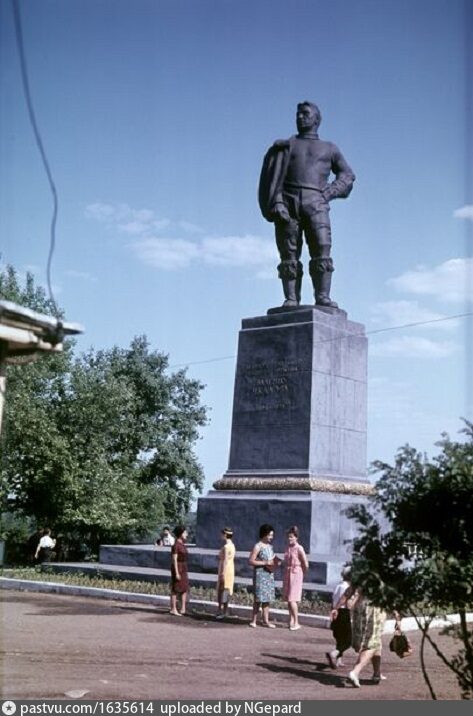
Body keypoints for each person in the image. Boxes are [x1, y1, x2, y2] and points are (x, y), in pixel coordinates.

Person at [259, 101, 355, 309]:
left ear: (316, 119)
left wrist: (330, 191)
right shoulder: (286, 146)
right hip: (288, 201)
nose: (300, 117)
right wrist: (277, 201)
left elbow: (347, 175)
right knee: (288, 252)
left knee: (321, 248)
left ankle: (322, 296)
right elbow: (272, 179)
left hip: (316, 202)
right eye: (298, 114)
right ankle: (291, 298)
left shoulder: (329, 148)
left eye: (305, 113)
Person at [333, 586, 393, 688]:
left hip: (360, 607)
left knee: (375, 640)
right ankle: (355, 672)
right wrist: (397, 616)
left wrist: (336, 607)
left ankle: (376, 673)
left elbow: (349, 591)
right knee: (373, 643)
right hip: (376, 610)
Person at [248, 523, 281, 628]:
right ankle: (253, 620)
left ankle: (266, 620)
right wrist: (265, 562)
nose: (271, 537)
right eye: (270, 535)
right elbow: (251, 561)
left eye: (272, 535)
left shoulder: (270, 547)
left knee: (267, 599)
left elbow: (272, 558)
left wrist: (276, 562)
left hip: (269, 575)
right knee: (258, 598)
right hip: (260, 575)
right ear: (264, 534)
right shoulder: (257, 546)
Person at [282, 526, 308, 630]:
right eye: (288, 537)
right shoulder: (288, 548)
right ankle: (291, 620)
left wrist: (302, 573)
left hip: (296, 572)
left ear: (296, 537)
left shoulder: (299, 548)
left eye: (292, 537)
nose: (290, 539)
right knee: (288, 598)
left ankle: (296, 622)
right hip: (288, 573)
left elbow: (305, 563)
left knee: (293, 598)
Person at [326, 565, 353, 668]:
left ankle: (338, 660)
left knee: (339, 638)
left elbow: (333, 600)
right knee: (348, 640)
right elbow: (347, 603)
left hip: (335, 612)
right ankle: (334, 653)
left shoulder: (338, 586)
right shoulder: (347, 588)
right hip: (343, 612)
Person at [216, 527, 235, 620]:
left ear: (225, 535)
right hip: (230, 569)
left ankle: (221, 610)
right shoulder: (232, 545)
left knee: (222, 590)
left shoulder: (226, 547)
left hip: (225, 569)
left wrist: (222, 573)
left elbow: (225, 561)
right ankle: (224, 610)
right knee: (226, 590)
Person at [170, 525, 189, 616]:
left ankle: (183, 608)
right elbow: (174, 560)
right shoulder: (176, 545)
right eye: (185, 532)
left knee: (184, 587)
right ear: (180, 533)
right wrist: (177, 572)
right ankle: (173, 609)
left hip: (184, 566)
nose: (187, 534)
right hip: (178, 566)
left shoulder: (182, 544)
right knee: (176, 588)